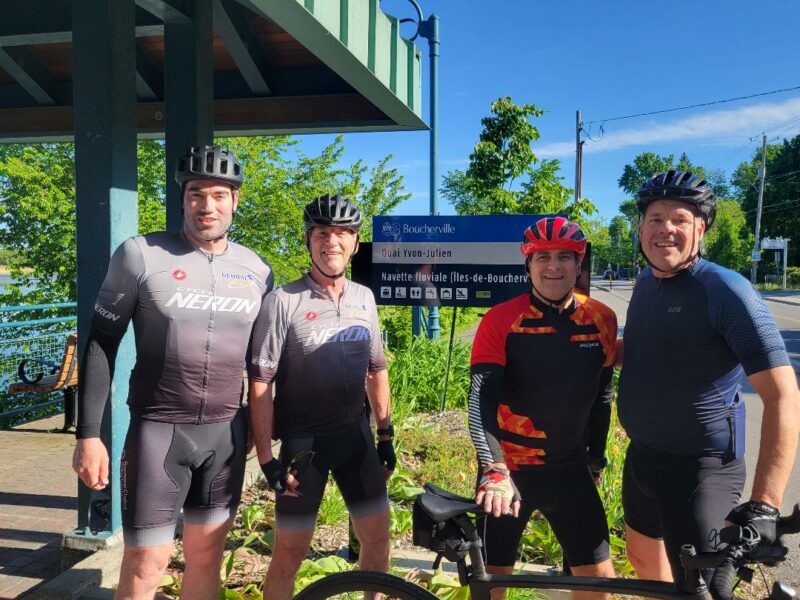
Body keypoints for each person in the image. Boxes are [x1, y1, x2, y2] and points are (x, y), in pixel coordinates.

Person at [72, 145, 274, 600]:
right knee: (147, 564)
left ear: (235, 201)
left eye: (219, 195)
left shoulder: (258, 271)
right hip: (158, 432)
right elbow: (102, 342)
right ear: (183, 199)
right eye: (197, 193)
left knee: (207, 560)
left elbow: (266, 366)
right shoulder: (140, 255)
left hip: (225, 436)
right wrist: (88, 435)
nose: (208, 205)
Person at [618, 170, 800, 589]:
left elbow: (783, 396)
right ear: (641, 227)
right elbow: (651, 350)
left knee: (705, 587)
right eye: (656, 218)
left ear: (701, 228)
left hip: (702, 471)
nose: (666, 229)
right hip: (643, 459)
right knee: (647, 567)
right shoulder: (645, 283)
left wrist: (766, 504)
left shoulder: (726, 291)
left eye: (680, 219)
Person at [248, 194, 395, 600]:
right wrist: (266, 459)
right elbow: (260, 382)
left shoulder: (364, 298)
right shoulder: (283, 301)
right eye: (322, 233)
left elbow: (376, 369)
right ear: (308, 240)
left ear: (355, 243)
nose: (332, 242)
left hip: (356, 439)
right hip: (303, 447)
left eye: (343, 234)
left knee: (378, 541)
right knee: (290, 552)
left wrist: (386, 435)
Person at [468, 215, 617, 600]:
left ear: (579, 263)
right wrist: (493, 468)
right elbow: (480, 399)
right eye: (542, 257)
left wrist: (596, 459)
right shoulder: (501, 320)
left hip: (570, 469)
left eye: (565, 257)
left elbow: (602, 396)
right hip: (511, 470)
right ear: (528, 265)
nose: (553, 266)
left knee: (598, 581)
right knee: (491, 582)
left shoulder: (601, 318)